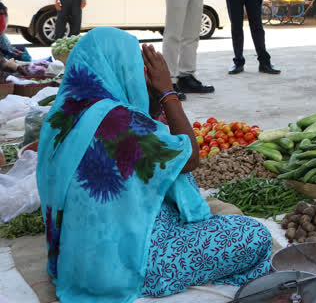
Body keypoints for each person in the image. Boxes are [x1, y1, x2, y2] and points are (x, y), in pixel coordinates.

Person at [36, 28, 273, 302]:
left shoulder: (61, 115)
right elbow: (190, 157)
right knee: (255, 235)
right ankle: (172, 275)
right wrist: (167, 91)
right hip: (124, 269)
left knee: (167, 194)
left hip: (73, 259)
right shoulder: (117, 121)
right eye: (134, 64)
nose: (139, 71)